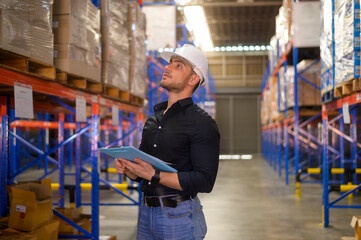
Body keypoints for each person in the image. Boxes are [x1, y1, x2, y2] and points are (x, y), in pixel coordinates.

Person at [114, 44, 220, 240]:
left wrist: (154, 175)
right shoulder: (153, 120)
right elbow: (141, 174)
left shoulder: (202, 123)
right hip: (146, 213)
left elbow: (204, 181)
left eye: (178, 65)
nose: (167, 67)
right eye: (169, 63)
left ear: (194, 79)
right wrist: (128, 167)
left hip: (179, 216)